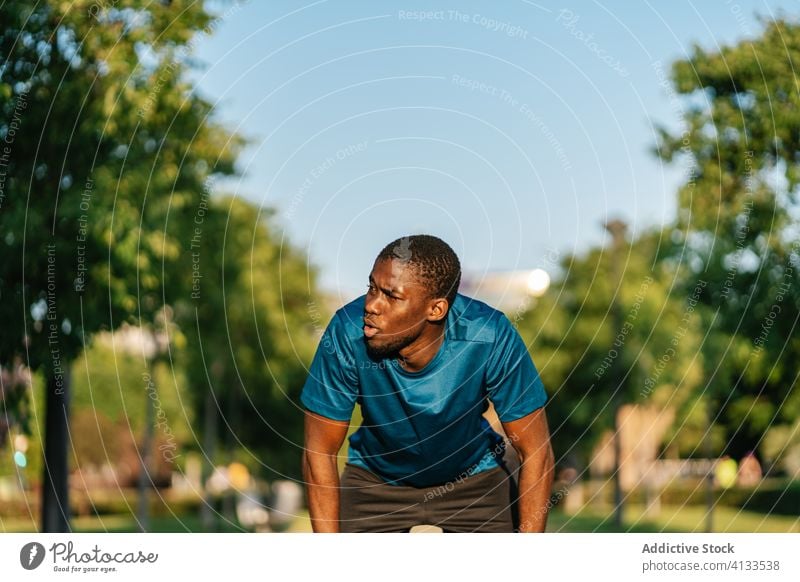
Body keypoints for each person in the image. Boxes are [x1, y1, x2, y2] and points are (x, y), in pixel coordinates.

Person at [301, 235, 554, 532]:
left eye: (391, 296)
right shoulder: (346, 333)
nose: (371, 305)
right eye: (372, 287)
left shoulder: (490, 336)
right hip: (376, 480)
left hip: (474, 478)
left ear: (435, 310)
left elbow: (537, 452)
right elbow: (319, 453)